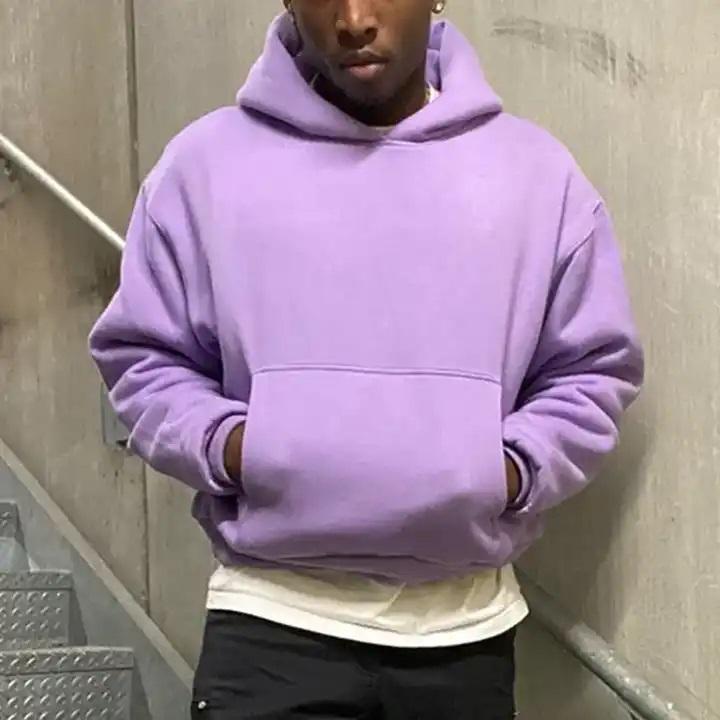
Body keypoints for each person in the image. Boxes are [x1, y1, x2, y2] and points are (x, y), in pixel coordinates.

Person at [89, 1, 644, 717]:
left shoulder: (537, 177)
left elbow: (592, 372)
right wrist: (238, 447)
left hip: (463, 636)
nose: (353, 18)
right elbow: (143, 356)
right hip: (272, 624)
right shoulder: (204, 169)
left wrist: (506, 469)